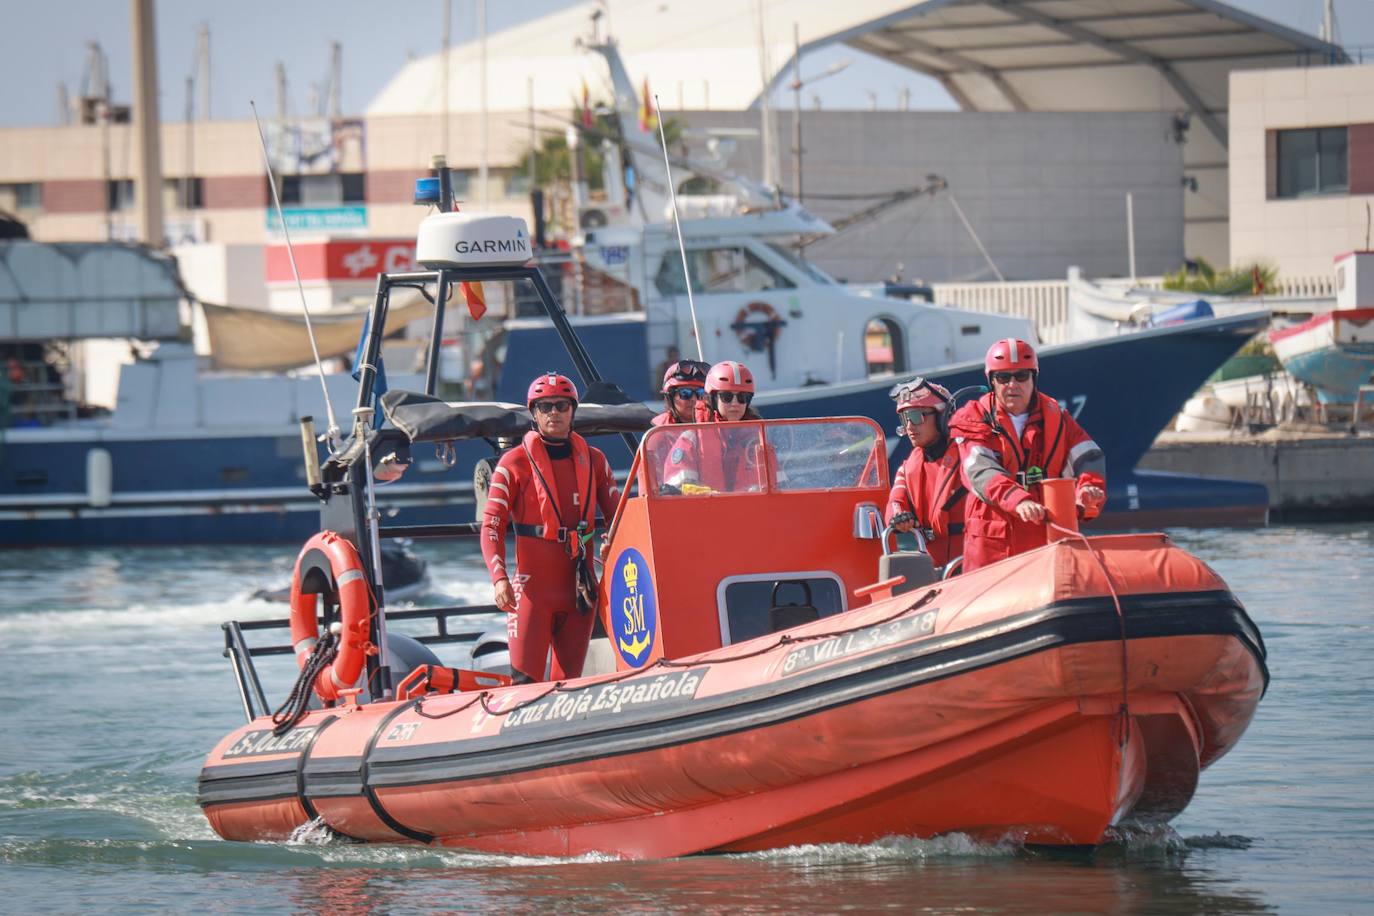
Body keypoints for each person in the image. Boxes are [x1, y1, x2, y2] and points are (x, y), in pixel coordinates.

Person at [480, 372, 621, 683]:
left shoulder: (595, 461)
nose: (554, 413)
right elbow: (492, 525)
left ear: (572, 410)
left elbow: (621, 517)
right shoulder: (513, 463)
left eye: (561, 406)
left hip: (580, 591)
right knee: (525, 683)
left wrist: (616, 546)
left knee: (569, 683)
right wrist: (499, 578)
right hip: (531, 594)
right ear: (534, 412)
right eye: (545, 407)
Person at [950, 338, 1106, 572]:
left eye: (1021, 376)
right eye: (1003, 378)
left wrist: (1087, 489)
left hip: (1044, 536)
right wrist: (1019, 500)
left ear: (1034, 378)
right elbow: (980, 471)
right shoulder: (973, 419)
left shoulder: (1057, 418)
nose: (1013, 384)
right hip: (993, 544)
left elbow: (1089, 456)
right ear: (992, 381)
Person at [884, 378, 966, 568]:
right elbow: (896, 501)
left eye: (916, 416)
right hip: (934, 567)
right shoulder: (908, 468)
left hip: (975, 562)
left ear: (942, 417)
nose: (910, 427)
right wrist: (899, 517)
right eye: (905, 419)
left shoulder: (970, 456)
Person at [661, 360, 770, 492]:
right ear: (712, 399)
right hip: (704, 511)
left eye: (742, 397)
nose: (735, 403)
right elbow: (678, 490)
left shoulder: (759, 441)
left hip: (753, 511)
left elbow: (778, 487)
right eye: (726, 397)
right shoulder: (691, 440)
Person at [643, 358, 710, 480]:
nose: (694, 399)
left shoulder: (719, 429)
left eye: (700, 393)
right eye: (685, 393)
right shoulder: (657, 436)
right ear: (670, 397)